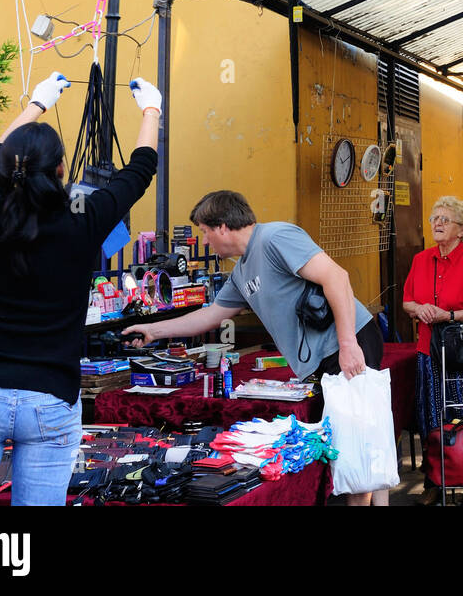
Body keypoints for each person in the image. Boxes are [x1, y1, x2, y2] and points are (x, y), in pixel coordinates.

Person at [0, 72, 162, 506]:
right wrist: (152, 111)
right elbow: (140, 170)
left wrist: (36, 104)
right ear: (59, 170)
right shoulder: (84, 216)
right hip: (51, 400)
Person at [123, 191, 387, 506]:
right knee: (364, 440)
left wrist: (347, 344)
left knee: (355, 449)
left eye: (204, 232)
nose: (205, 241)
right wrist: (152, 331)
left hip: (349, 341)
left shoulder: (275, 237)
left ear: (222, 227)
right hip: (330, 354)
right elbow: (211, 316)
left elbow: (337, 277)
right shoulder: (241, 272)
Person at [403, 197, 463, 505]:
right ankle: (435, 479)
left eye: (445, 219)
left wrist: (449, 315)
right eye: (435, 218)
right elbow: (407, 302)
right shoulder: (421, 260)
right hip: (431, 348)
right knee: (432, 413)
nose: (438, 223)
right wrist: (422, 310)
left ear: (462, 229)